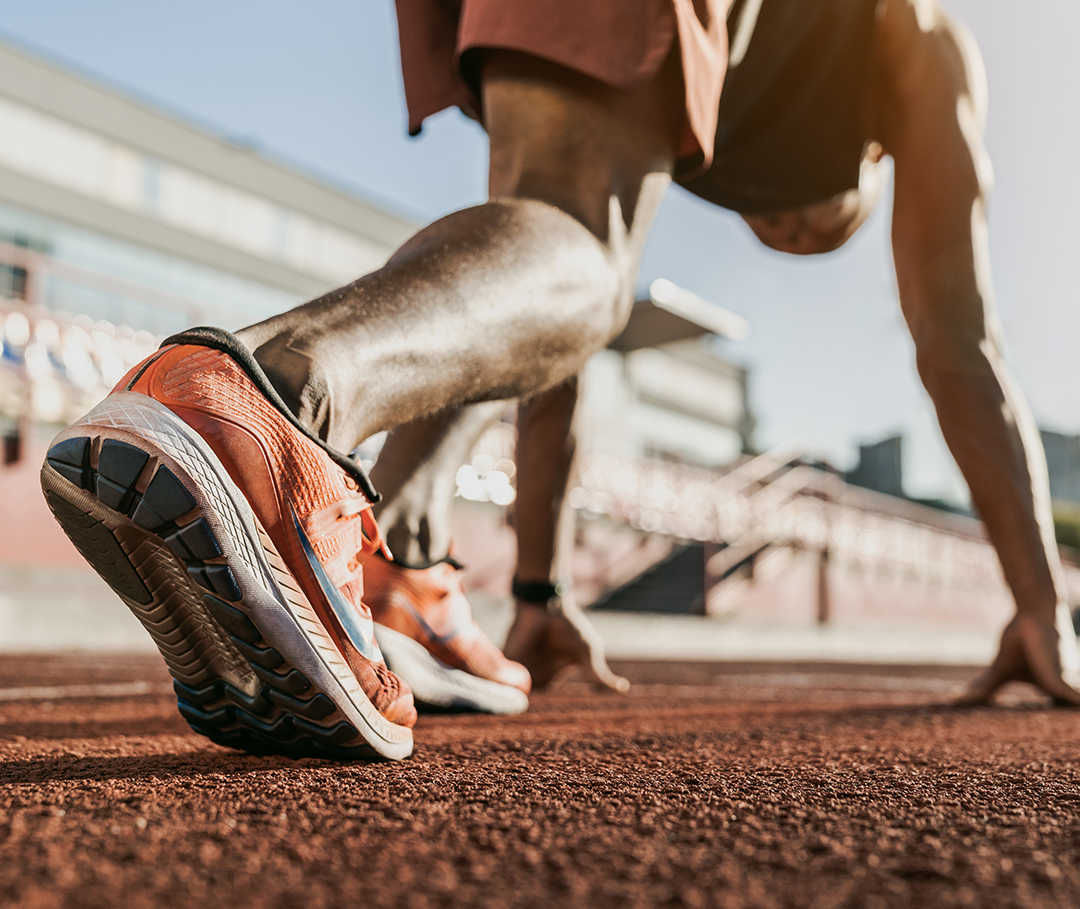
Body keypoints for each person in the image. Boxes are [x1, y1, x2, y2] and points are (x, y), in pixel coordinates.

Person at [39, 0, 1078, 762]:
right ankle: (263, 403)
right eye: (802, 222)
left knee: (546, 270)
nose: (781, 228)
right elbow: (960, 344)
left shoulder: (725, 78)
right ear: (863, 164)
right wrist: (1045, 607)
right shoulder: (923, 40)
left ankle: (397, 564)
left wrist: (538, 589)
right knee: (581, 254)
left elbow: (538, 342)